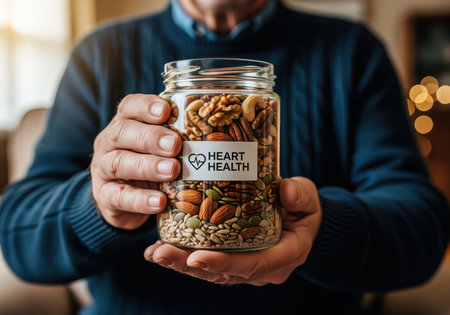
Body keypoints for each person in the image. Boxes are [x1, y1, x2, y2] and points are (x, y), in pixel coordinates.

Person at [0, 0, 449, 314]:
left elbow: (423, 228)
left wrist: (323, 228)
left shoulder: (352, 52)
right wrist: (99, 206)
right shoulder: (100, 55)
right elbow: (18, 234)